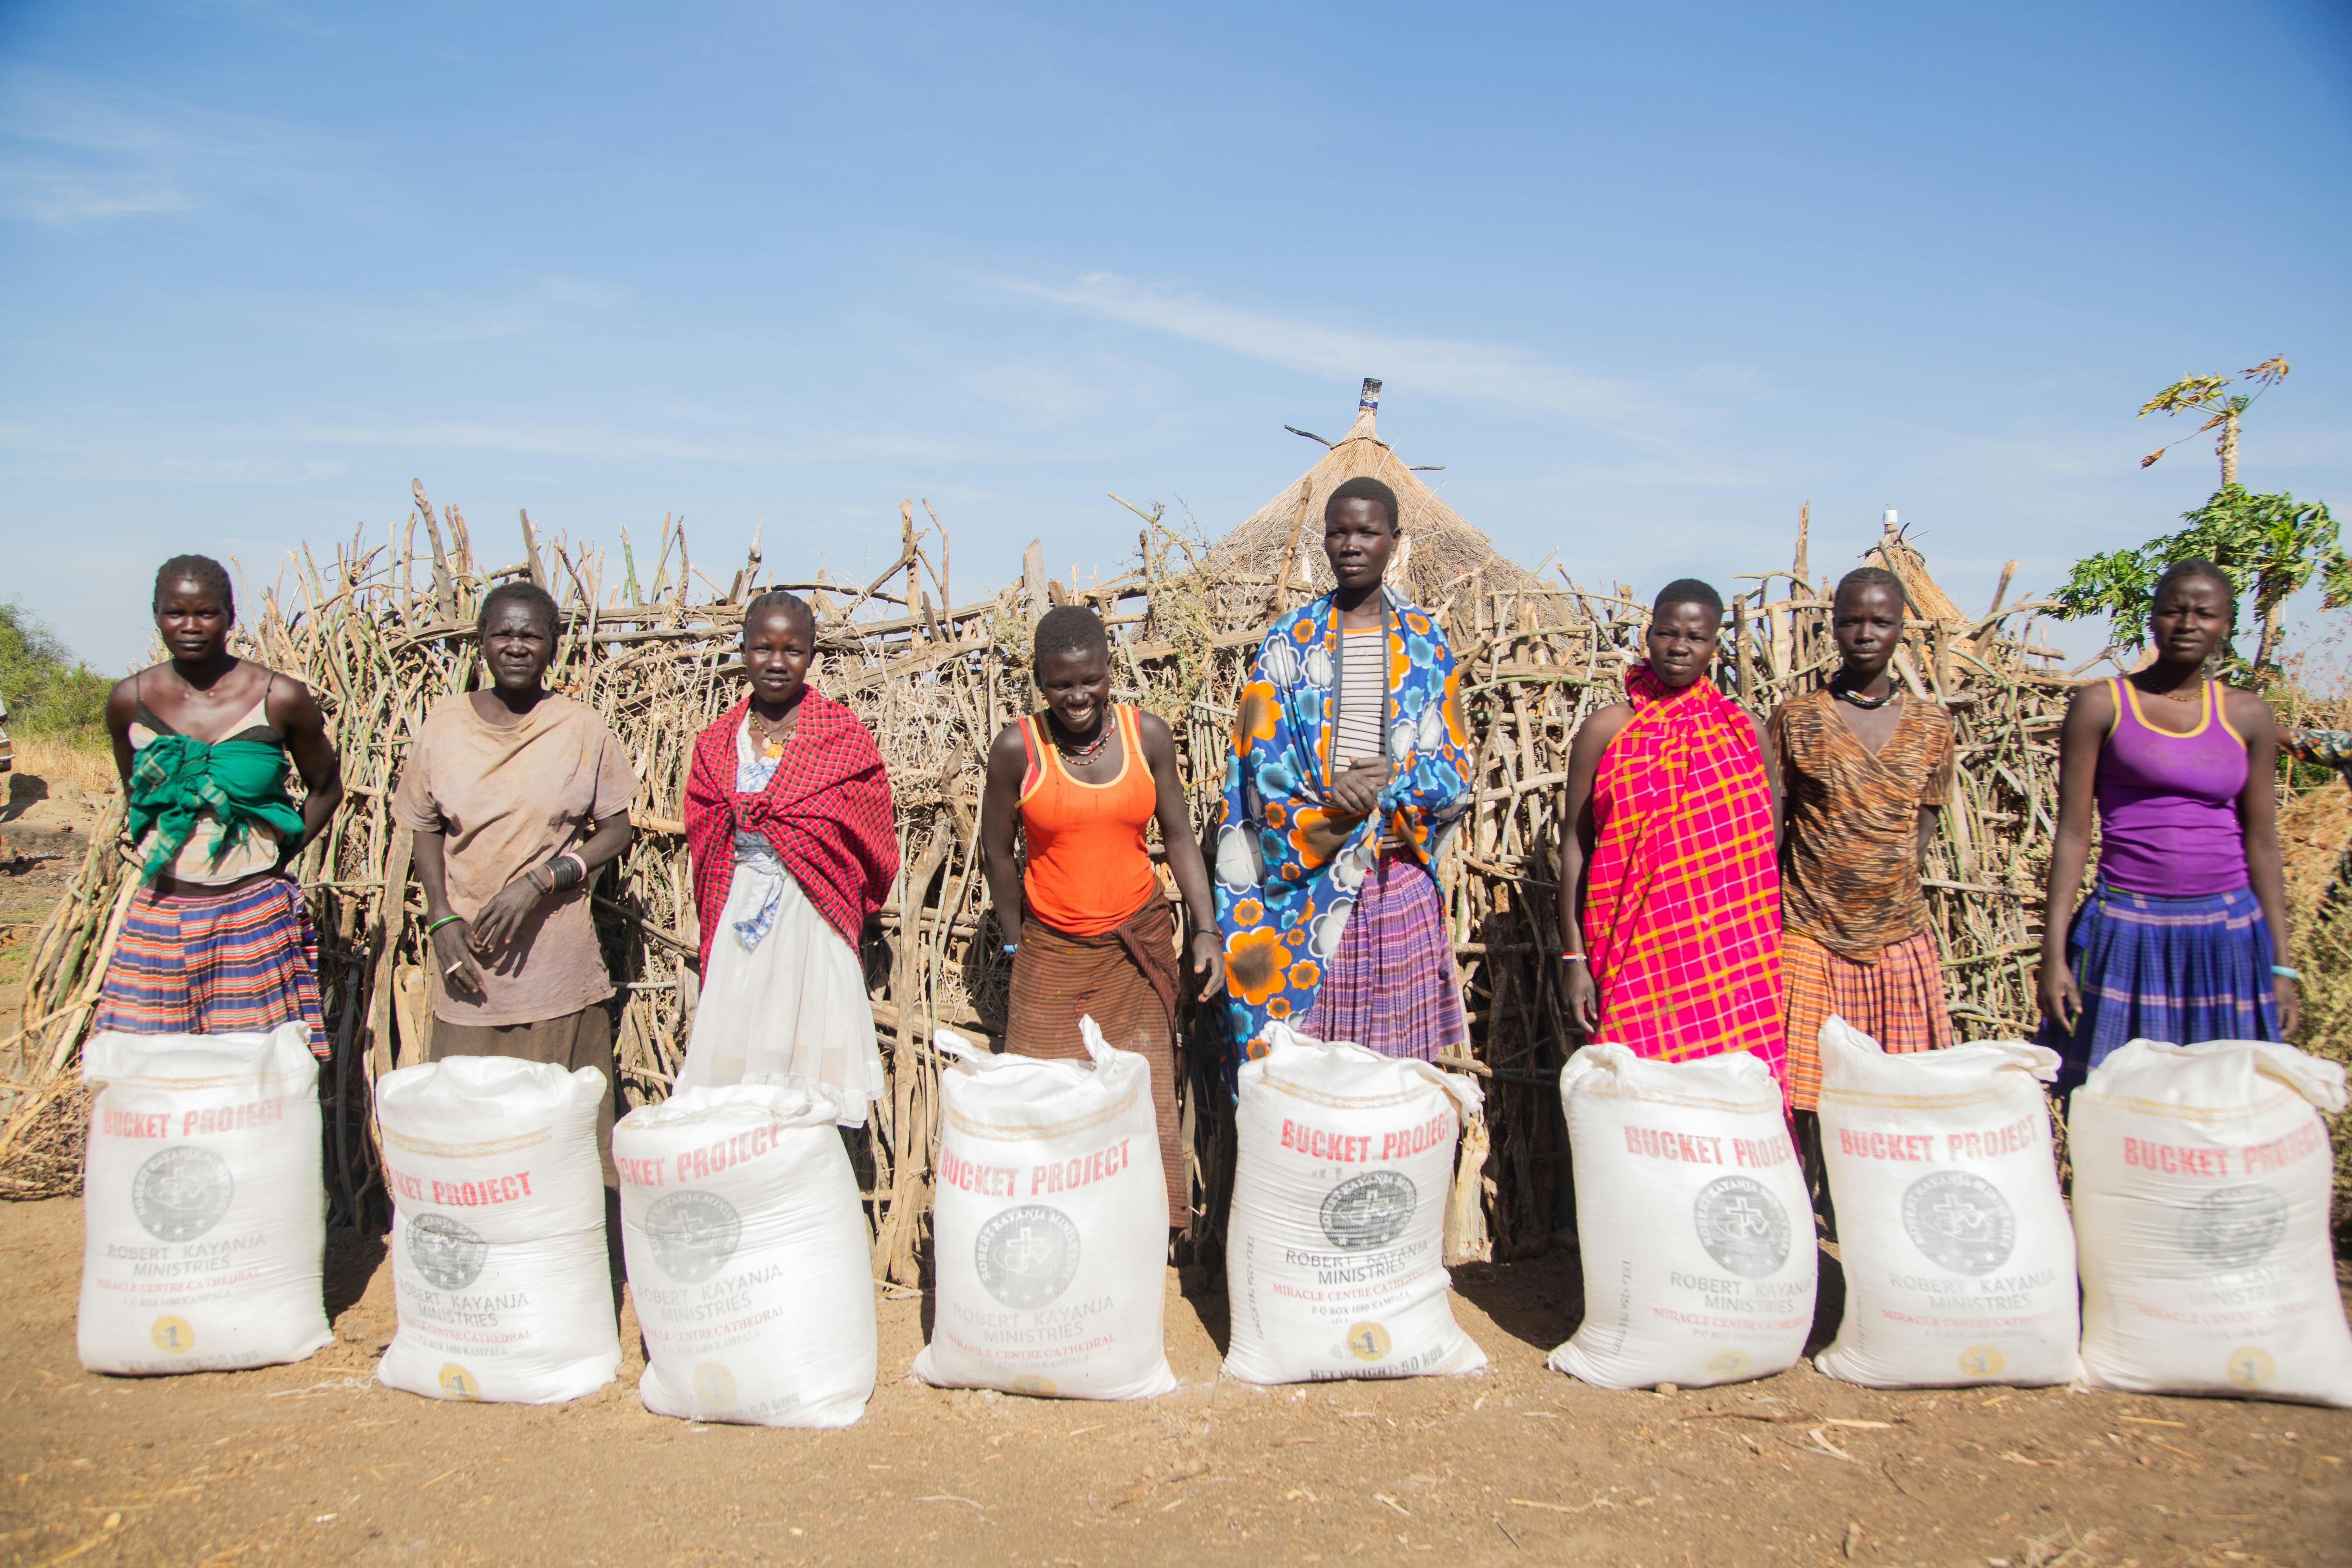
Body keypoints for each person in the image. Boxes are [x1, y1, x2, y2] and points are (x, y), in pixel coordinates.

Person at [1213, 475, 1477, 1063]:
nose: (1351, 545)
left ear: (1395, 541)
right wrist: (1332, 798)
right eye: (1338, 532)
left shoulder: (1427, 644)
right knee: (1309, 1079)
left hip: (1394, 885)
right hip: (1306, 891)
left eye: (1367, 532)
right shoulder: (1289, 642)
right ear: (1323, 542)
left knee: (1394, 1079)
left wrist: (1393, 784)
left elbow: (1455, 767)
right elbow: (1260, 766)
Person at [981, 606, 1223, 1231]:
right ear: (1038, 679)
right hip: (1051, 955)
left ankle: (1136, 1239)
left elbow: (1178, 836)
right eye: (1061, 684)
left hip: (1136, 950)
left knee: (1137, 1102)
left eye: (1090, 680)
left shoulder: (1148, 737)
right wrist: (1015, 943)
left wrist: (1205, 927)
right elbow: (995, 852)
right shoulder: (1018, 749)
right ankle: (1053, 1237)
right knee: (1045, 1108)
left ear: (1109, 672)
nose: (1077, 696)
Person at [390, 581, 637, 1180]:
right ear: (481, 644)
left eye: (531, 634)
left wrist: (544, 880)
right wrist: (442, 917)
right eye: (503, 633)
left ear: (555, 646)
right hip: (468, 965)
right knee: (476, 1142)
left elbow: (617, 829)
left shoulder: (581, 728)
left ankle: (571, 1263)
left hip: (557, 967)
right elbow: (424, 826)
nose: (517, 646)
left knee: (563, 1144)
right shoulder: (444, 726)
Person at [2038, 558, 2295, 1087]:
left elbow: (2263, 845)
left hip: (2227, 931)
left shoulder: (2248, 715)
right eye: (2173, 611)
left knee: (2226, 1097)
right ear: (2152, 621)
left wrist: (2282, 964)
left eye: (2205, 613)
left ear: (2227, 626)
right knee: (2116, 1096)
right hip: (2127, 926)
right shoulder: (2102, 705)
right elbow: (2073, 834)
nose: (2188, 624)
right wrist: (2053, 955)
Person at [95, 555, 345, 1054]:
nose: (190, 627)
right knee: (155, 1072)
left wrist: (279, 856)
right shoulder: (130, 701)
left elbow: (326, 788)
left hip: (253, 913)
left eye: (206, 613)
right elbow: (137, 797)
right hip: (161, 913)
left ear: (231, 617)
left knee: (256, 1075)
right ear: (156, 614)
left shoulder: (279, 697)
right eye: (175, 614)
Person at [679, 590, 898, 1123]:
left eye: (792, 650)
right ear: (744, 650)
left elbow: (875, 843)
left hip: (815, 919)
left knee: (810, 1075)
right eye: (762, 648)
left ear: (812, 654)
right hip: (739, 924)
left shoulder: (841, 739)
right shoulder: (715, 746)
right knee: (736, 1072)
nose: (777, 663)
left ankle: (807, 1184)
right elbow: (704, 834)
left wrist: (833, 885)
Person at [1557, 579, 1783, 1073]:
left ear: (1715, 647)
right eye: (1667, 633)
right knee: (1637, 1106)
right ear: (1648, 635)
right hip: (1632, 956)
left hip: (1730, 960)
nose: (1680, 646)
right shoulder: (1609, 729)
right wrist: (1574, 961)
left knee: (1733, 1103)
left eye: (1696, 638)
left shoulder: (1745, 734)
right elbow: (1575, 848)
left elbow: (1768, 848)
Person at [1773, 566, 1958, 1115]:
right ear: (1833, 627)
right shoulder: (1798, 718)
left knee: (1892, 1107)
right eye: (1852, 621)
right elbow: (1774, 826)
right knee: (1804, 1107)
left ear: (1903, 628)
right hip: (1808, 936)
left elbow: (1924, 822)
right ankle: (1814, 1204)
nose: (1866, 634)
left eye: (1881, 621)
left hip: (1897, 940)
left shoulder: (1931, 726)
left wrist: (1882, 879)